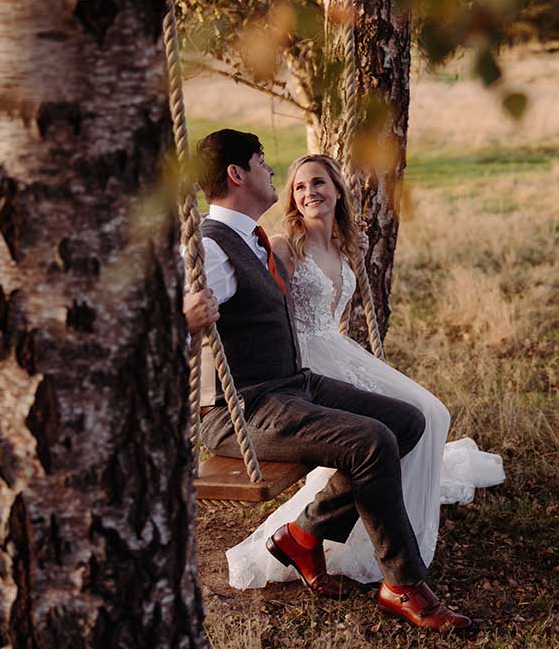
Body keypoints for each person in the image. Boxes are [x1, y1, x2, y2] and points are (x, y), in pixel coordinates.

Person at [191, 129, 473, 633]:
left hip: (291, 385)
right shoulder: (212, 250)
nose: (272, 172)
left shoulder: (252, 240)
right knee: (370, 441)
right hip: (246, 411)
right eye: (262, 163)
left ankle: (303, 534)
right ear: (237, 174)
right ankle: (403, 584)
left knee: (407, 421)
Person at [225, 154, 505, 589]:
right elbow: (267, 314)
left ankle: (346, 527)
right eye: (299, 187)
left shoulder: (344, 243)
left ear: (337, 189)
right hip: (301, 360)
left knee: (429, 413)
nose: (308, 193)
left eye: (318, 183)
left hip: (338, 349)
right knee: (397, 425)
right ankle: (364, 544)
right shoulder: (284, 246)